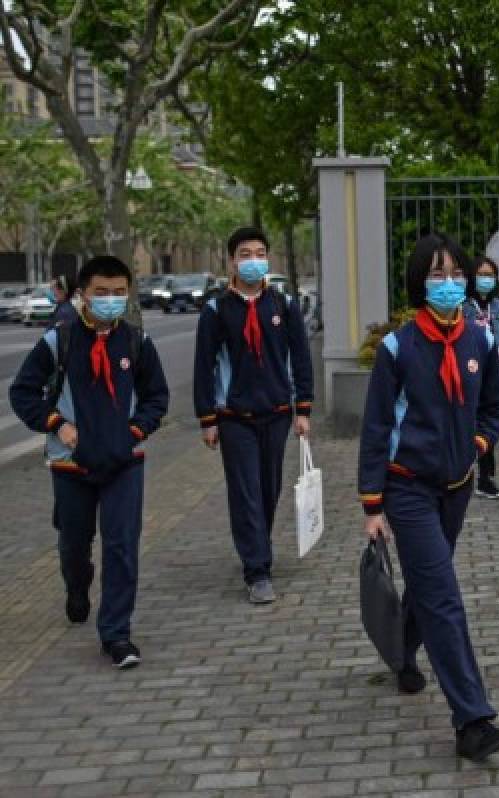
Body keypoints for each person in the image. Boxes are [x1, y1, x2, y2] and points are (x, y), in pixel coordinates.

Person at [358, 232, 499, 762]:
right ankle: (472, 720)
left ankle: (402, 653)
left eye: (456, 274)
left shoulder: (480, 340)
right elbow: (376, 428)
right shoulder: (398, 348)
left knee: (430, 581)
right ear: (419, 283)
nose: (449, 284)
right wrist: (372, 504)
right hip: (408, 488)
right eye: (436, 275)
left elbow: (495, 404)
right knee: (443, 595)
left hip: (457, 487)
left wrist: (478, 441)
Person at [9, 256, 169, 669]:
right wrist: (57, 424)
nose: (111, 300)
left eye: (119, 293)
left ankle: (116, 635)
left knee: (122, 546)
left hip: (124, 462)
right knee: (74, 544)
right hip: (70, 464)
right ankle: (77, 586)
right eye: (102, 293)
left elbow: (156, 397)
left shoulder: (137, 342)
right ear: (83, 294)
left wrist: (134, 431)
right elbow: (23, 392)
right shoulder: (57, 341)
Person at [193, 227, 314, 605]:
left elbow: (301, 357)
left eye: (260, 252)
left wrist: (303, 408)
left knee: (268, 488)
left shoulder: (283, 305)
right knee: (245, 492)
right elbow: (204, 366)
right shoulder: (216, 309)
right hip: (234, 416)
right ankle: (257, 569)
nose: (253, 259)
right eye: (245, 253)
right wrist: (208, 419)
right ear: (232, 260)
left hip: (277, 412)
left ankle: (257, 542)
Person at [463, 255, 499, 499]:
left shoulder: (497, 307)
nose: (486, 279)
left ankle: (485, 478)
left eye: (490, 275)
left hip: (494, 374)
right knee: (467, 424)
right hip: (471, 371)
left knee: (488, 425)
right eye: (482, 274)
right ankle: (462, 472)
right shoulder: (463, 306)